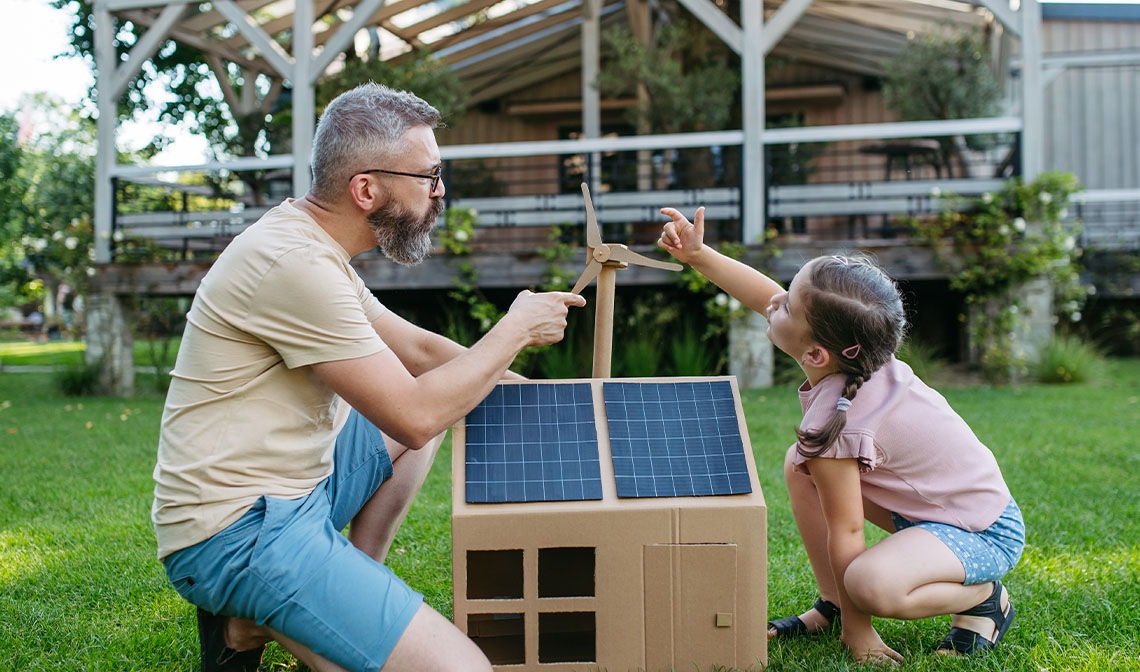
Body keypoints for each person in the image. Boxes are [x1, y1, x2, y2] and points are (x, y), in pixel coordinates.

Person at [152, 83, 585, 672]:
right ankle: (281, 610)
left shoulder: (315, 246)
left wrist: (537, 396)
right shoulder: (294, 264)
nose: (439, 192)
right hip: (236, 529)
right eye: (429, 175)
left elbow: (416, 348)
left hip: (296, 494)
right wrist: (512, 329)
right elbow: (413, 411)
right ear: (366, 190)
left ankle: (308, 602)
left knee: (425, 422)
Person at [657, 207, 1024, 665]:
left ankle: (983, 599)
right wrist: (699, 255)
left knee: (871, 586)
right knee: (800, 463)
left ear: (815, 352)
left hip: (983, 532)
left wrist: (861, 631)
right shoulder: (853, 355)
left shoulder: (838, 417)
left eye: (788, 303)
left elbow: (847, 532)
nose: (775, 301)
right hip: (933, 515)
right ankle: (832, 604)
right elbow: (765, 297)